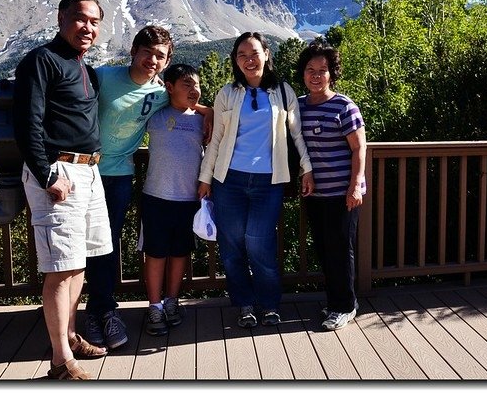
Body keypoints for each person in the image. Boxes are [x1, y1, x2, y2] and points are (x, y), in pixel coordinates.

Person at [84, 25, 212, 349]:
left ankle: (103, 311)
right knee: (78, 247)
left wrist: (207, 111)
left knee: (107, 245)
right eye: (148, 52)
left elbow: (183, 101)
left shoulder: (157, 95)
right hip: (85, 172)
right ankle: (92, 314)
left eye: (160, 56)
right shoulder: (103, 78)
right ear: (133, 51)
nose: (152, 60)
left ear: (166, 62)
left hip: (120, 176)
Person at [13, 0, 111, 380]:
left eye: (94, 22)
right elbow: (27, 123)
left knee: (77, 264)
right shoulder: (41, 61)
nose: (88, 27)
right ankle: (59, 362)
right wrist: (47, 175)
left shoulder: (83, 66)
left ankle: (70, 338)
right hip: (58, 171)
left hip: (89, 172)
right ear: (61, 18)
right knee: (59, 268)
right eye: (80, 19)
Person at [197, 31, 314, 328]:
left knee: (259, 245)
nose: (249, 60)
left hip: (268, 182)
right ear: (235, 61)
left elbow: (297, 133)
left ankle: (270, 304)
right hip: (229, 181)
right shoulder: (227, 92)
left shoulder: (283, 91)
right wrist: (205, 178)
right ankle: (245, 304)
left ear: (266, 54)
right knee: (232, 246)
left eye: (254, 54)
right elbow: (217, 140)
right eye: (242, 55)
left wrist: (306, 168)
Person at [295, 40, 366, 331]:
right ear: (303, 73)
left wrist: (355, 187)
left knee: (340, 249)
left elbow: (359, 148)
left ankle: (344, 307)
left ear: (331, 73)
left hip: (343, 193)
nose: (316, 75)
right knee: (325, 250)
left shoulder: (344, 105)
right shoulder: (297, 106)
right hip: (315, 193)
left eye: (322, 70)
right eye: (310, 70)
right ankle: (337, 300)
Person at [137, 63, 204, 336]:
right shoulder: (156, 116)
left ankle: (172, 302)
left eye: (197, 84)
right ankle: (154, 306)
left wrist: (207, 110)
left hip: (189, 200)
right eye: (186, 84)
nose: (194, 89)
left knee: (179, 253)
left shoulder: (203, 120)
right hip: (156, 197)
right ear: (170, 87)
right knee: (155, 254)